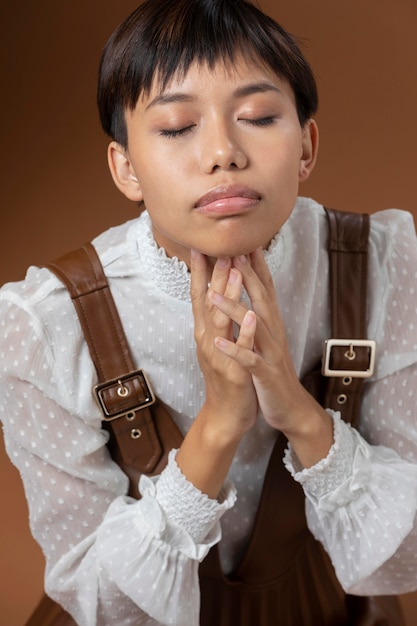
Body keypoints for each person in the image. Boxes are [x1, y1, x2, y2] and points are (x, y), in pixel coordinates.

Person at [1, 0, 417, 624]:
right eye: (175, 127)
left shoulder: (385, 262)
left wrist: (301, 414)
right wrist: (221, 423)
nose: (223, 151)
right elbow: (96, 597)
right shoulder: (45, 324)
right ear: (126, 167)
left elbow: (405, 554)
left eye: (256, 116)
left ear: (306, 144)